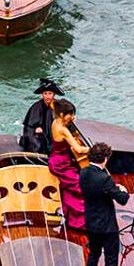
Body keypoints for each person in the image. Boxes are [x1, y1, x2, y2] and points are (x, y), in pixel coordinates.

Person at [80, 143, 131, 266]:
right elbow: (122, 199)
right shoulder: (105, 178)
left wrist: (110, 189)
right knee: (111, 260)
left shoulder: (84, 173)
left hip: (91, 223)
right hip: (107, 227)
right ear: (105, 158)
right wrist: (122, 189)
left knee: (93, 256)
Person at [48, 99, 89, 232]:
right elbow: (78, 149)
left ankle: (71, 218)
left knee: (69, 188)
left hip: (57, 159)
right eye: (69, 114)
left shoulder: (55, 123)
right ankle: (80, 222)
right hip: (62, 164)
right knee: (79, 186)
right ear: (61, 115)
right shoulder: (63, 130)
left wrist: (71, 124)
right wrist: (94, 149)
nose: (71, 117)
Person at [20, 78, 63, 156]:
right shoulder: (36, 106)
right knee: (35, 142)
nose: (47, 96)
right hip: (40, 136)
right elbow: (28, 126)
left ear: (54, 94)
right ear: (42, 94)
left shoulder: (59, 106)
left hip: (55, 134)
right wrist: (34, 129)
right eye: (45, 93)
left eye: (50, 93)